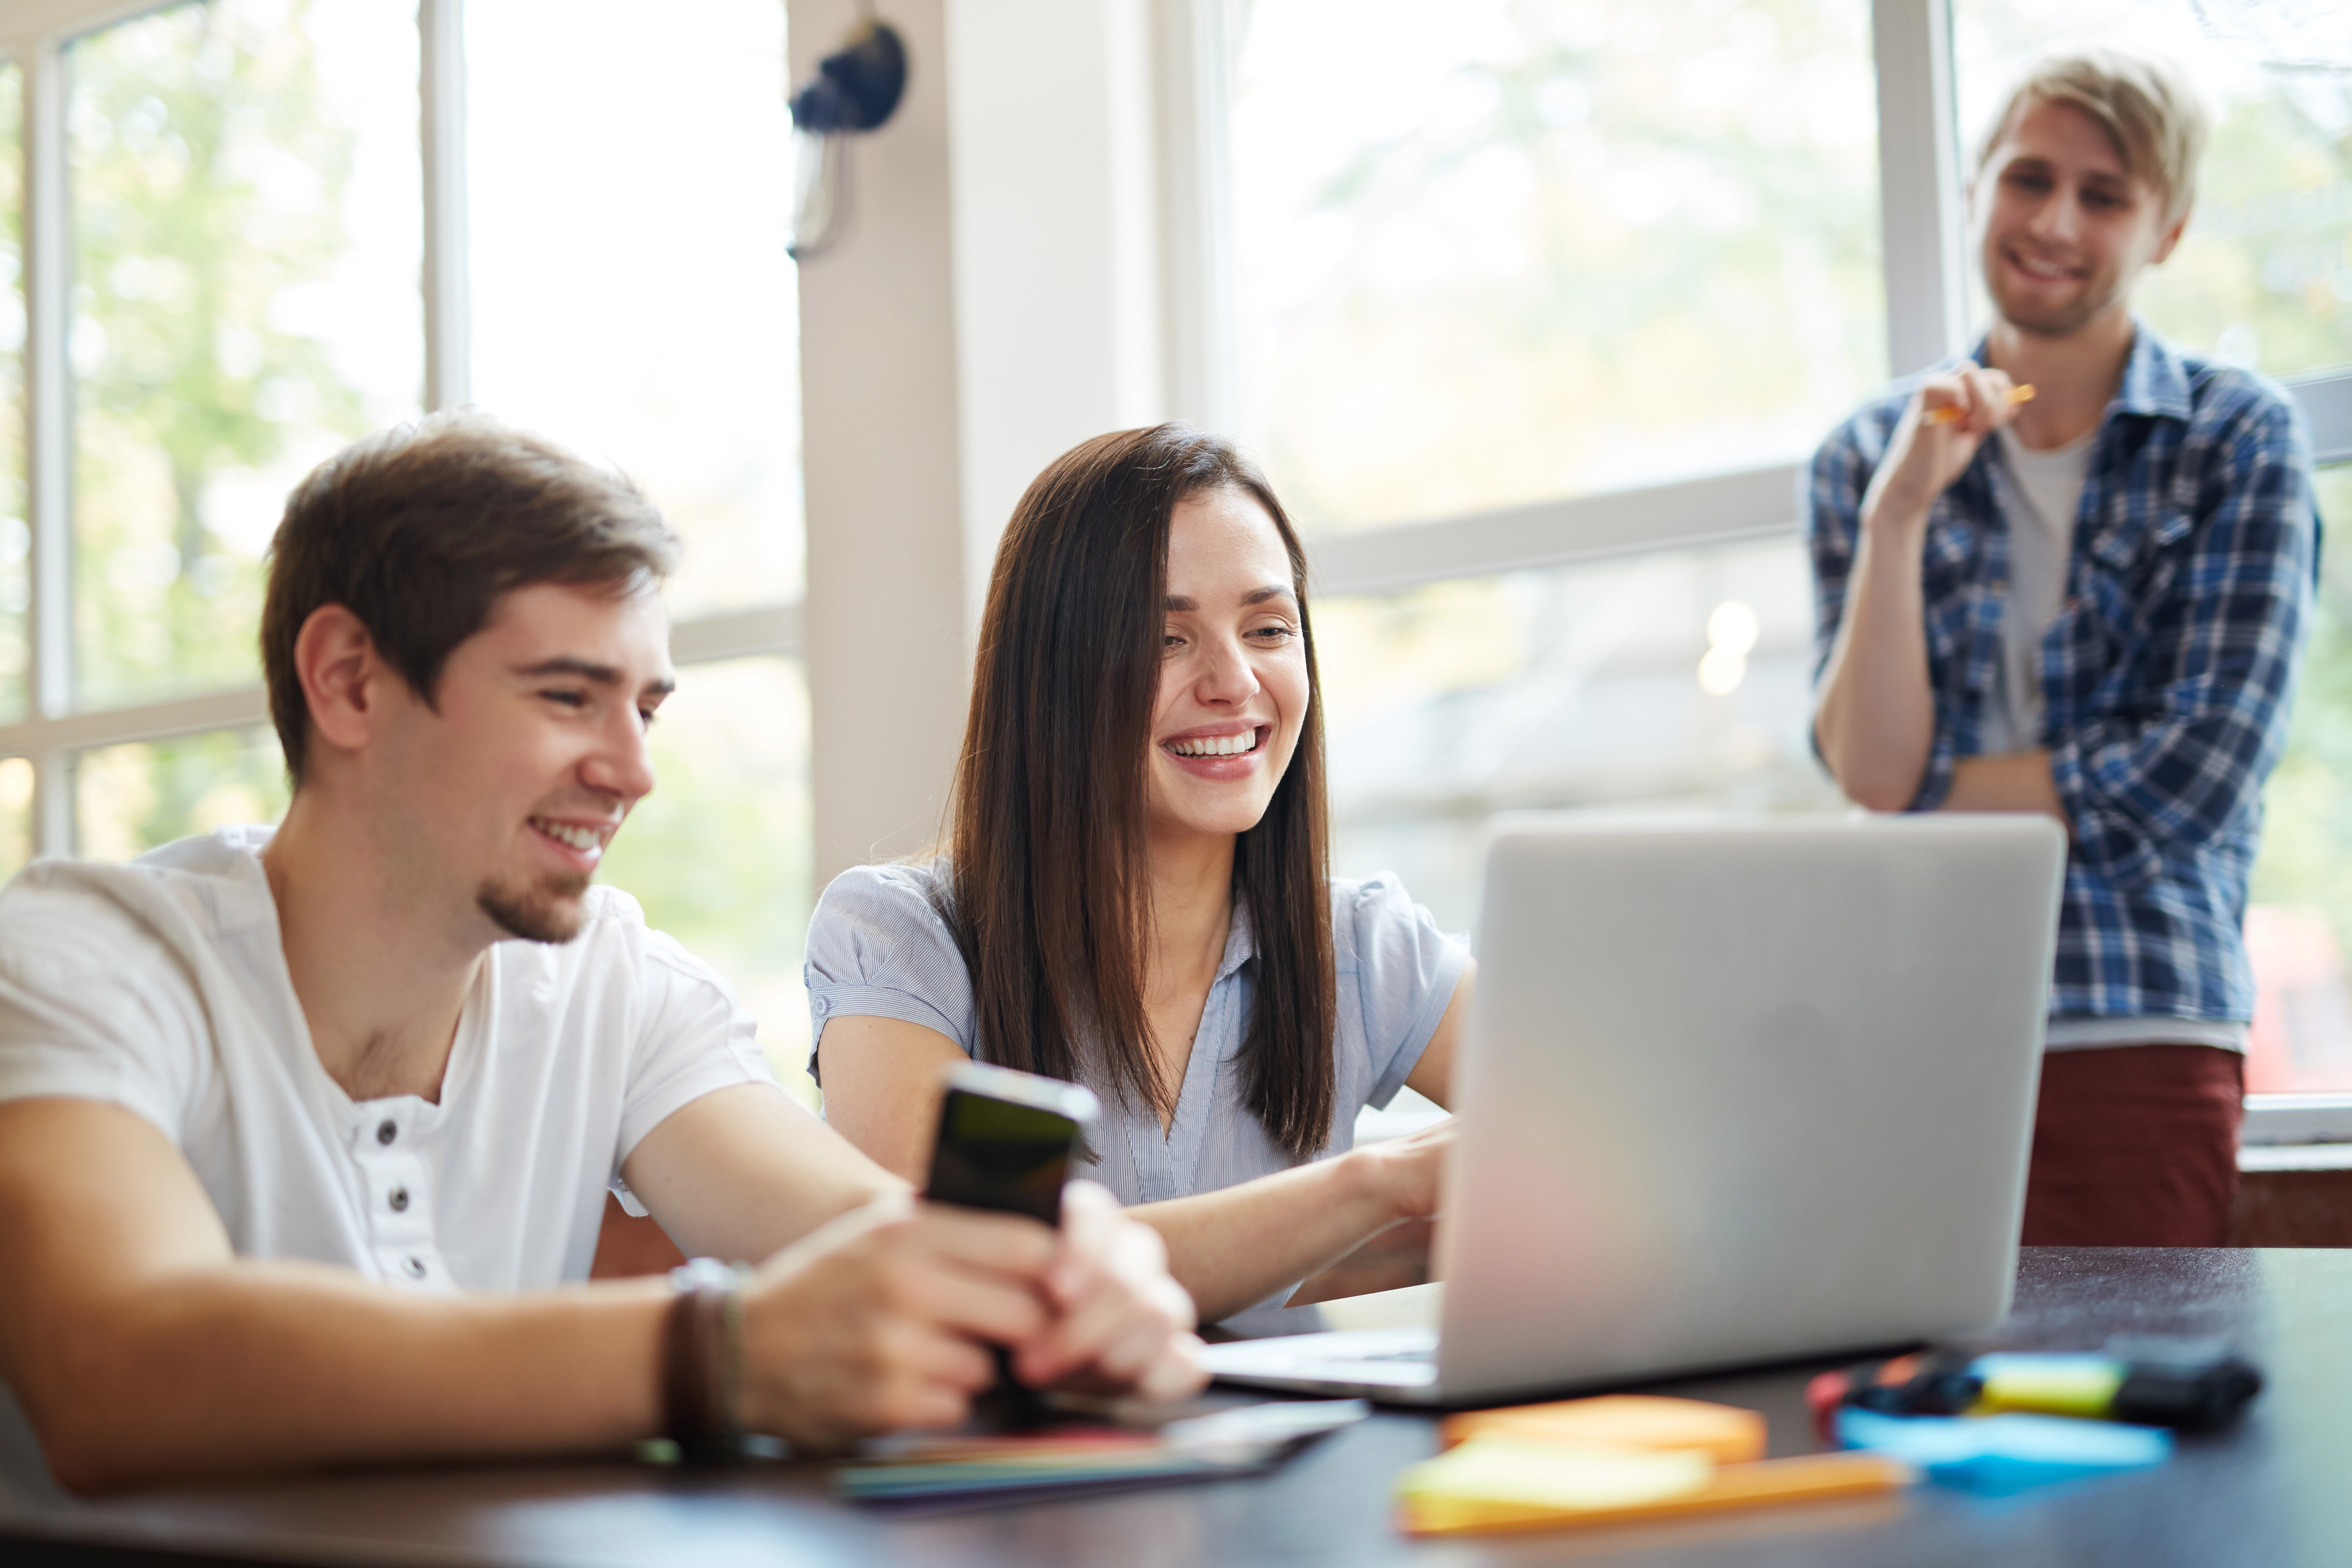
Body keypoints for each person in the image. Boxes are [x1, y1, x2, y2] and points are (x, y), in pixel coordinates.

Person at [0, 414, 1203, 1496]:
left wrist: (1045, 1285)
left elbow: (854, 1230)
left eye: (647, 709)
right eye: (570, 698)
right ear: (348, 681)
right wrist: (714, 1356)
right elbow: (114, 1370)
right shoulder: (83, 959)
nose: (632, 772)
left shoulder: (617, 987)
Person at [1807, 46, 2319, 1245]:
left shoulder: (2237, 439)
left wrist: (1927, 801)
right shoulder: (1868, 454)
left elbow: (2188, 779)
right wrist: (1900, 515)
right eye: (2028, 178)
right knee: (1912, 1404)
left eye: (2105, 196)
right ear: (1978, 187)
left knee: (2138, 1403)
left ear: (2168, 233)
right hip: (1908, 1018)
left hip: (2135, 1018)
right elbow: (1872, 771)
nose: (2054, 221)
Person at [807, 425, 1473, 1323]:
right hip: (1036, 1467)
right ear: (1054, 674)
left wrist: (1343, 1240)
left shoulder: (1364, 946)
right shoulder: (903, 940)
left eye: (1268, 628)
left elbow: (1623, 1134)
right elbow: (985, 1282)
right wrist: (1379, 1187)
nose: (1234, 681)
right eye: (1166, 640)